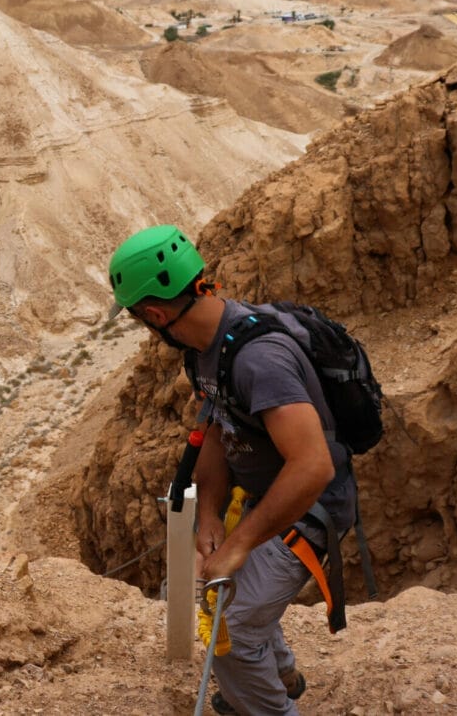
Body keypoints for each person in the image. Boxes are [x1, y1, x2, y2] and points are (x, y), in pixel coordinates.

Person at [108, 225, 358, 715]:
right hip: (266, 501)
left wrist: (241, 544)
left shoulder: (258, 360)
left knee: (231, 627)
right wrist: (208, 522)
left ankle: (265, 703)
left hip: (310, 510)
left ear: (155, 314)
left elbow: (313, 467)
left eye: (139, 318)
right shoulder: (205, 350)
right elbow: (218, 431)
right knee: (229, 593)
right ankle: (279, 677)